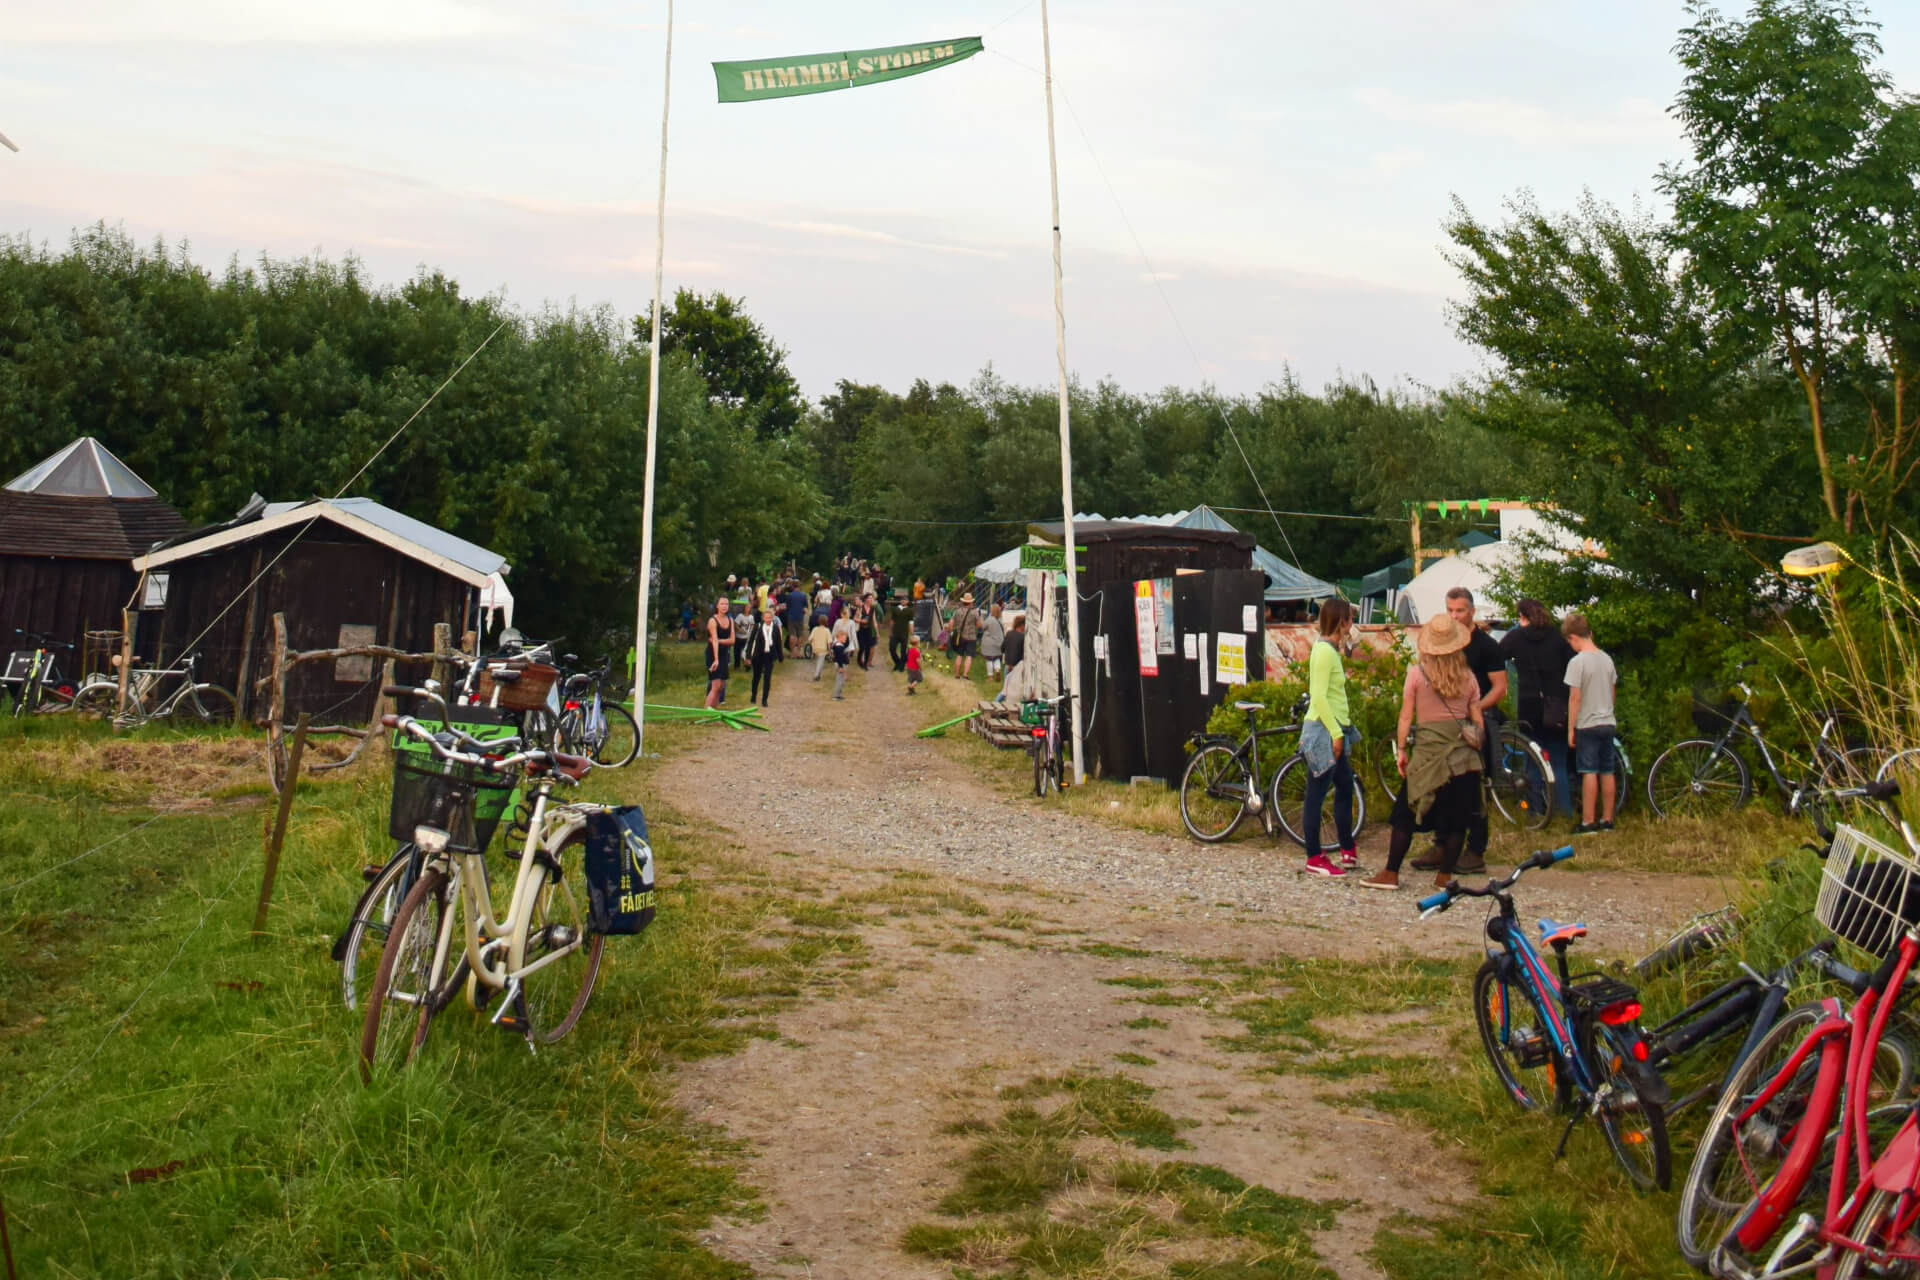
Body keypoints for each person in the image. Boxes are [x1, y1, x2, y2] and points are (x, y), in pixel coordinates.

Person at [1360, 613, 1486, 891]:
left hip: (1428, 754)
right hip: (1462, 758)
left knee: (1405, 812)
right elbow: (1477, 721)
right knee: (1457, 820)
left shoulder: (1417, 675)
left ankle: (1391, 872)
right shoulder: (1469, 678)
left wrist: (1402, 750)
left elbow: (1406, 717)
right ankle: (1444, 877)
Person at [1414, 588, 1507, 876]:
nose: (1455, 616)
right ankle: (1441, 844)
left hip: (1477, 720)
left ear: (1472, 611)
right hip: (1444, 725)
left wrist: (1473, 708)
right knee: (1441, 785)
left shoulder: (1487, 646)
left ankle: (1475, 850)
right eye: (1450, 610)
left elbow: (1500, 688)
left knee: (1474, 788)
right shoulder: (1443, 644)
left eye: (1460, 611)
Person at [1299, 598, 1360, 876]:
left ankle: (1347, 847)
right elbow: (1319, 696)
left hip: (1336, 728)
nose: (1353, 624)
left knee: (1345, 786)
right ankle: (1314, 856)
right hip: (1325, 730)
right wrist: (1336, 733)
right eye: (1350, 619)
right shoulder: (1323, 652)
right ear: (1342, 621)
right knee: (1317, 793)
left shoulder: (1332, 650)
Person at [1499, 598, 1576, 817]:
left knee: (1533, 761)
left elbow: (1496, 656)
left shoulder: (1516, 637)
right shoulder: (1557, 637)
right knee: (1558, 761)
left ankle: (1535, 810)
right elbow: (1572, 663)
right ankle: (1564, 811)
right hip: (1557, 706)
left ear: (1523, 617)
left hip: (1529, 707)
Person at [1564, 613, 1619, 833]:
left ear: (1573, 638)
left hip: (1587, 724)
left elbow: (1575, 698)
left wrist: (1571, 728)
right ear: (1591, 634)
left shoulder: (1577, 662)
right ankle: (1608, 820)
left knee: (1589, 771)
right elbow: (1613, 691)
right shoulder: (1606, 658)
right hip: (1608, 721)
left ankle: (1588, 821)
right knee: (1607, 771)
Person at [743, 605, 783, 708]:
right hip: (758, 656)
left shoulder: (775, 628)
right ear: (763, 618)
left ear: (772, 618)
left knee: (767, 678)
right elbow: (751, 641)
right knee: (756, 677)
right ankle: (753, 695)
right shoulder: (757, 627)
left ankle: (764, 700)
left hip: (769, 656)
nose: (768, 619)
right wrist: (748, 656)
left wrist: (780, 656)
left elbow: (778, 642)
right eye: (766, 617)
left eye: (770, 617)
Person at [704, 597, 734, 710]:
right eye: (722, 604)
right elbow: (714, 641)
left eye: (726, 604)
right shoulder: (712, 621)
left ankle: (713, 712)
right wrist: (716, 660)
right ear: (717, 606)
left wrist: (720, 641)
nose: (724, 606)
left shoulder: (730, 620)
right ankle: (705, 713)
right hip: (712, 654)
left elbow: (732, 640)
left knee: (721, 686)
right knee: (715, 685)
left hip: (724, 654)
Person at [951, 592, 985, 679]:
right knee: (969, 656)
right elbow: (979, 625)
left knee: (959, 655)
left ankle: (957, 674)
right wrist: (980, 618)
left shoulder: (957, 611)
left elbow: (951, 624)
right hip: (971, 637)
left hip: (960, 637)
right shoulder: (975, 612)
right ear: (970, 602)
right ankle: (965, 674)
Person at [830, 608, 855, 700]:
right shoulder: (839, 646)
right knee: (839, 680)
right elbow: (839, 657)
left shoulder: (839, 622)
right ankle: (836, 695)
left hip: (841, 662)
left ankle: (839, 694)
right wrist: (841, 667)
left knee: (841, 680)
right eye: (844, 638)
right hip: (840, 664)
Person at [999, 614, 1027, 696]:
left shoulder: (1009, 633)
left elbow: (1002, 648)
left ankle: (996, 703)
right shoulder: (1023, 637)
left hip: (1007, 665)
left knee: (1005, 690)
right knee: (1010, 692)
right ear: (1022, 625)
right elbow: (1019, 652)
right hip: (1016, 667)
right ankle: (995, 703)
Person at [888, 592, 914, 671]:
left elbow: (911, 622)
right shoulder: (896, 609)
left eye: (905, 600)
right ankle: (897, 662)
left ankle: (902, 666)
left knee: (903, 650)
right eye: (902, 599)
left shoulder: (910, 610)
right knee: (892, 648)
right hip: (895, 632)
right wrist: (890, 631)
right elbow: (892, 620)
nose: (903, 601)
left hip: (904, 633)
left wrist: (912, 634)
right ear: (900, 601)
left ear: (907, 601)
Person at [981, 602, 1007, 679]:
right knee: (996, 658)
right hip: (999, 643)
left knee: (989, 660)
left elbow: (983, 627)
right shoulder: (1000, 620)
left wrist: (982, 619)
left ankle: (990, 676)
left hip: (989, 643)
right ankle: (997, 670)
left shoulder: (989, 619)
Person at [784, 581, 810, 656]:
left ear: (793, 587)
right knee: (800, 634)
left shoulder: (789, 596)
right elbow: (805, 607)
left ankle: (792, 652)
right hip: (800, 617)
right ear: (799, 587)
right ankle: (798, 652)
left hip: (791, 616)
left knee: (792, 634)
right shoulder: (803, 595)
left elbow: (787, 607)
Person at [856, 592, 878, 671]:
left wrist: (877, 632)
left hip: (869, 629)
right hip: (861, 630)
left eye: (872, 598)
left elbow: (874, 620)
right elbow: (855, 619)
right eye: (869, 598)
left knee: (868, 647)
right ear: (865, 599)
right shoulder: (861, 607)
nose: (871, 599)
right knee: (862, 647)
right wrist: (862, 621)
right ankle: (859, 661)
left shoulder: (872, 608)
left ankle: (865, 664)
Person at [808, 616, 832, 682]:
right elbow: (829, 641)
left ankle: (818, 675)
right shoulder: (827, 630)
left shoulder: (815, 629)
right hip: (823, 649)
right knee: (820, 661)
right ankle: (816, 675)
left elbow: (810, 639)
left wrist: (811, 644)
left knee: (819, 661)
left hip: (815, 648)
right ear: (826, 622)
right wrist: (829, 650)